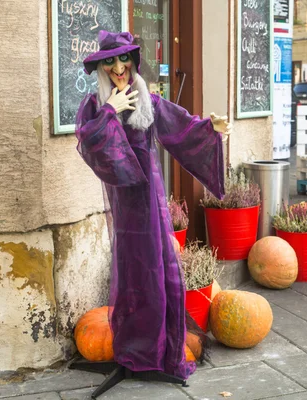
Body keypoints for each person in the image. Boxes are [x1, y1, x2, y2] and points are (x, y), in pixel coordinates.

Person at [75, 30, 231, 380]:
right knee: (131, 273)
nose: (118, 67)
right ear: (101, 67)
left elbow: (182, 128)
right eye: (110, 61)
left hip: (149, 202)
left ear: (134, 60)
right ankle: (132, 352)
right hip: (124, 203)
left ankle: (158, 353)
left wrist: (211, 127)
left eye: (123, 58)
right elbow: (89, 144)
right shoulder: (96, 104)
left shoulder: (149, 100)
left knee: (157, 272)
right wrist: (110, 113)